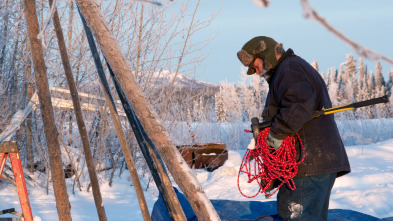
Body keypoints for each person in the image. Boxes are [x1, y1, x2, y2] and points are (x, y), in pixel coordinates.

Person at [237, 36, 351, 220]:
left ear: (265, 54)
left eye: (255, 65)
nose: (256, 72)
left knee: (296, 216)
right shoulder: (290, 69)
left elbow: (299, 105)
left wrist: (275, 134)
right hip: (313, 163)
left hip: (307, 164)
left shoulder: (289, 70)